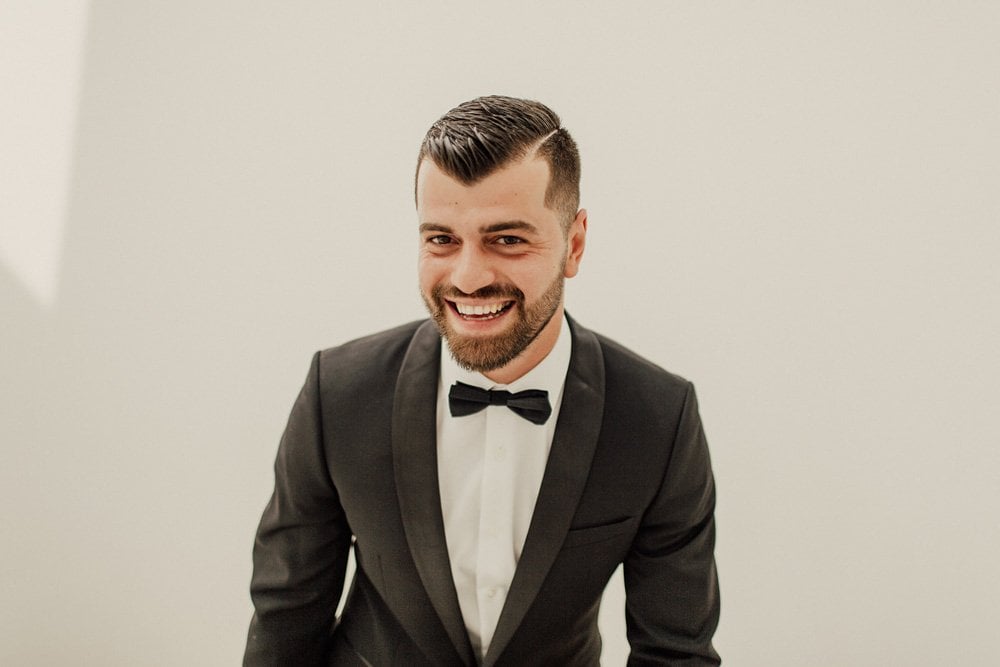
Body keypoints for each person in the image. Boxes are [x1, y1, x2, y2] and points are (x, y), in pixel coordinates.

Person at [244, 95, 721, 666]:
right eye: (441, 238)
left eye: (508, 239)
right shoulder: (337, 393)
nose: (468, 278)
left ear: (574, 243)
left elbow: (675, 653)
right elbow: (285, 620)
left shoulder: (659, 418)